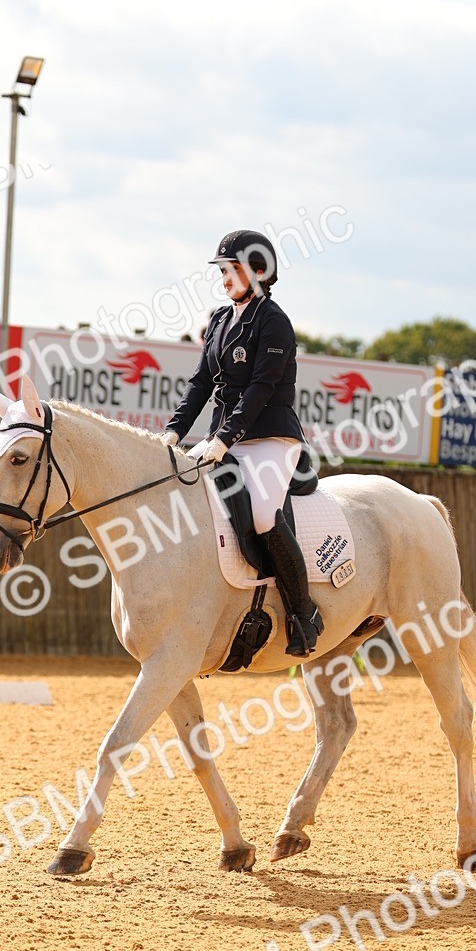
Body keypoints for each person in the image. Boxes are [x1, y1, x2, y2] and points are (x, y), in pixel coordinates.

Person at [160, 229, 323, 656]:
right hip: (223, 438)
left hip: (269, 436)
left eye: (231, 269)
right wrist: (174, 430)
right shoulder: (219, 319)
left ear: (258, 271)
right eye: (223, 270)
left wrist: (224, 438)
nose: (224, 278)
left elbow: (261, 389)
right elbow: (199, 383)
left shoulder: (273, 321)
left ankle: (303, 615)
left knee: (266, 516)